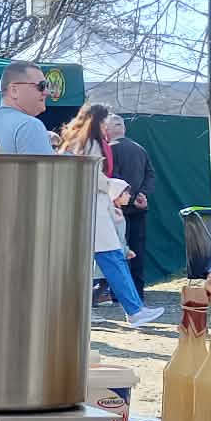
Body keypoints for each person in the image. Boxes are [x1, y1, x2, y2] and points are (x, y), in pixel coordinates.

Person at [59, 107, 163, 327]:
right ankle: (134, 310)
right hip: (94, 209)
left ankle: (131, 309)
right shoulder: (90, 143)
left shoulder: (78, 142)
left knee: (98, 263)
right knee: (113, 260)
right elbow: (92, 176)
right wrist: (116, 188)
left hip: (90, 207)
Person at [102, 109, 156, 294]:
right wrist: (141, 195)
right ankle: (137, 292)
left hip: (117, 210)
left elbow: (112, 177)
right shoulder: (140, 149)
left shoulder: (109, 150)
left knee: (117, 250)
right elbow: (150, 175)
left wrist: (131, 198)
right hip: (139, 209)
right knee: (137, 251)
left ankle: (118, 293)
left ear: (107, 129)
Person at [0, 61, 56, 155]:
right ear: (14, 90)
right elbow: (44, 165)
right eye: (41, 86)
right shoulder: (29, 125)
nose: (47, 92)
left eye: (47, 86)